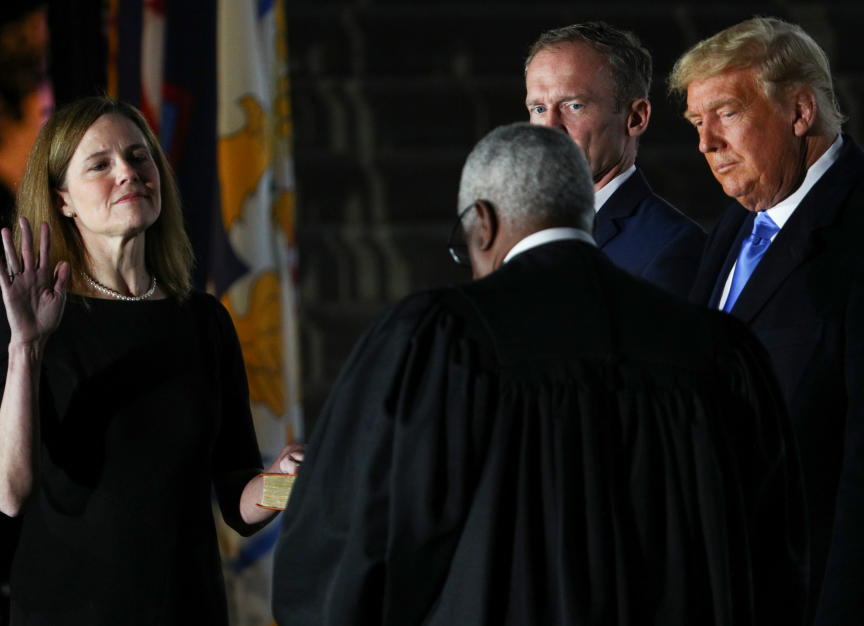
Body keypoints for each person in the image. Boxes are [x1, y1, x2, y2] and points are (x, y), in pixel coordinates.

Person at [272, 123, 805, 625]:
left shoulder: (441, 340)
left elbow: (356, 547)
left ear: (482, 222)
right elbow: (774, 557)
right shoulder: (717, 347)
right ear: (583, 211)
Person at [0, 96, 303, 624]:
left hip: (186, 608)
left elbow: (237, 498)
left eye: (138, 156)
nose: (128, 173)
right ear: (63, 200)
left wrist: (289, 482)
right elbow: (7, 494)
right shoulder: (32, 317)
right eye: (101, 165)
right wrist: (26, 348)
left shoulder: (203, 320)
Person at [669, 17, 864, 625]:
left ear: (801, 111)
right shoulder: (736, 222)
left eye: (724, 113)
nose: (705, 144)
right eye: (696, 124)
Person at [524, 21, 704, 298]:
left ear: (636, 118)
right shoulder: (522, 232)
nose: (550, 127)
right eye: (538, 108)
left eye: (574, 106)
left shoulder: (672, 248)